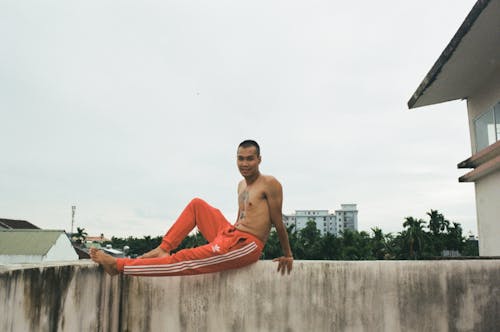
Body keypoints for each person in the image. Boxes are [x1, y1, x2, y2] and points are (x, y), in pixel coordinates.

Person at [90, 140, 293, 276]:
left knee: (185, 259)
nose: (245, 163)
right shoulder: (241, 185)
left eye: (250, 158)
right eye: (241, 158)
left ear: (259, 159)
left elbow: (278, 222)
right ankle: (163, 249)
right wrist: (224, 238)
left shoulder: (270, 183)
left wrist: (288, 254)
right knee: (197, 205)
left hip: (248, 245)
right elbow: (242, 218)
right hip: (232, 235)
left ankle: (118, 266)